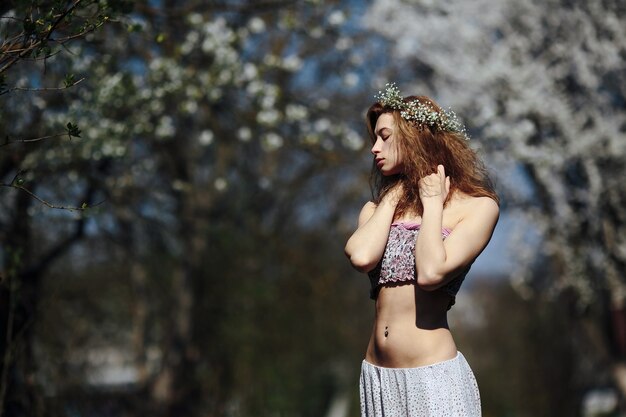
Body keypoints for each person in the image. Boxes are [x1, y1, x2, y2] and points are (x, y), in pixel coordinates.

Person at [344, 83, 499, 417]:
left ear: (414, 135)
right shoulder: (376, 209)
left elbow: (431, 273)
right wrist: (393, 197)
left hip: (433, 375)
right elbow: (361, 255)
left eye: (384, 136)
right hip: (377, 377)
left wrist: (432, 206)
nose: (374, 148)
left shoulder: (476, 207)